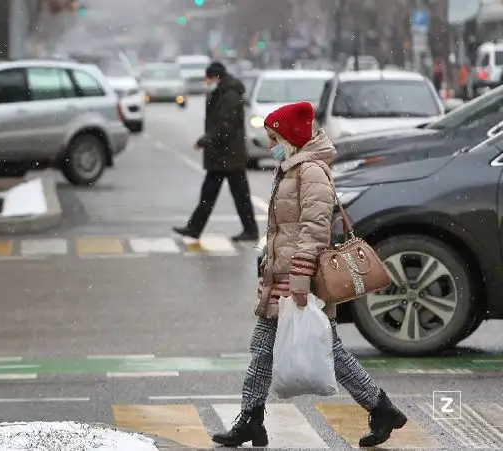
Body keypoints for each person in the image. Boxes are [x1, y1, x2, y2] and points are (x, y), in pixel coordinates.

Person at [211, 102, 407, 448]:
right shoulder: (290, 168)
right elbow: (282, 228)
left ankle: (379, 407)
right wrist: (267, 263)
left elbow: (314, 231)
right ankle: (251, 419)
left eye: (273, 137)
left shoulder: (310, 172)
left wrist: (299, 281)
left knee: (326, 349)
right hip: (283, 275)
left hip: (300, 279)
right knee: (263, 349)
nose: (270, 144)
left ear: (289, 137)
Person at [173, 62, 259, 242]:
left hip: (228, 155)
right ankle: (195, 228)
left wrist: (205, 140)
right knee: (216, 194)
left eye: (208, 78)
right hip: (224, 155)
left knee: (233, 195)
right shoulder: (221, 93)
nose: (206, 81)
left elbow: (224, 127)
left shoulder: (230, 97)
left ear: (217, 78)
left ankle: (248, 230)